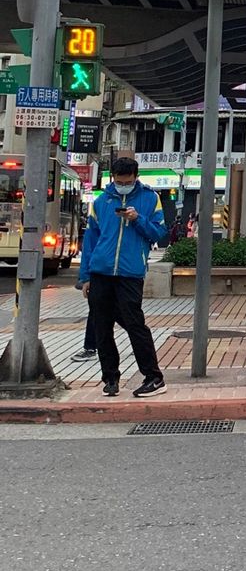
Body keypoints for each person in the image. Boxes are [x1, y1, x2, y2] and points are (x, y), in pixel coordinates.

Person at [78, 155, 168, 398]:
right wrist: (85, 277)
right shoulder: (101, 201)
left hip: (130, 273)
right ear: (113, 178)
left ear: (136, 177)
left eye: (127, 182)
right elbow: (90, 240)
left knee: (135, 324)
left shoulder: (150, 198)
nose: (123, 186)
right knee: (102, 327)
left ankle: (154, 377)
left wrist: (138, 219)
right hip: (101, 272)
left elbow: (159, 232)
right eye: (119, 182)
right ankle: (110, 378)